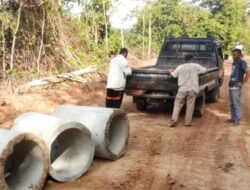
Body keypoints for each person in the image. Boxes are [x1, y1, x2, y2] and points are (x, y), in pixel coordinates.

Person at [168, 55, 207, 127]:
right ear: (192, 59)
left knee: (177, 105)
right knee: (190, 106)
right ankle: (187, 122)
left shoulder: (180, 67)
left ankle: (174, 120)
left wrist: (170, 71)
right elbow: (204, 70)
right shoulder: (196, 66)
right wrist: (197, 72)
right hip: (192, 89)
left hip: (182, 89)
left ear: (184, 60)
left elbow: (174, 75)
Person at [228, 49, 250, 126]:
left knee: (236, 104)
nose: (233, 56)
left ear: (240, 55)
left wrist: (242, 83)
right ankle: (233, 118)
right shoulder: (234, 62)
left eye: (235, 55)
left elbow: (248, 72)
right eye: (233, 55)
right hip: (231, 85)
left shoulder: (242, 62)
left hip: (236, 87)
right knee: (231, 104)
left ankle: (237, 120)